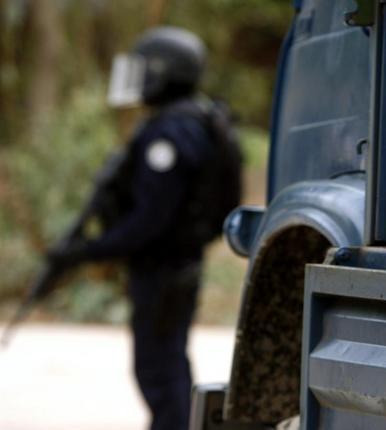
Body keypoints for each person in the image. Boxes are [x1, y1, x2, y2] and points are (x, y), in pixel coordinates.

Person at [48, 26, 242, 430]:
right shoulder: (195, 118)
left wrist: (89, 250)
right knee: (168, 361)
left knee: (159, 369)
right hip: (177, 264)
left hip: (163, 269)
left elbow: (151, 220)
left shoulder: (171, 131)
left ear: (163, 71)